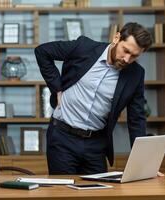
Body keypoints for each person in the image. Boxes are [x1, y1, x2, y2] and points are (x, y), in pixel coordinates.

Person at [35, 22, 153, 175]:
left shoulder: (135, 74)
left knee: (98, 193)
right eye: (126, 51)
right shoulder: (84, 47)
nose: (126, 59)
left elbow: (136, 119)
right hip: (62, 139)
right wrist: (56, 88)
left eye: (134, 56)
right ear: (117, 38)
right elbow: (42, 51)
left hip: (96, 145)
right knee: (63, 194)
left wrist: (143, 163)